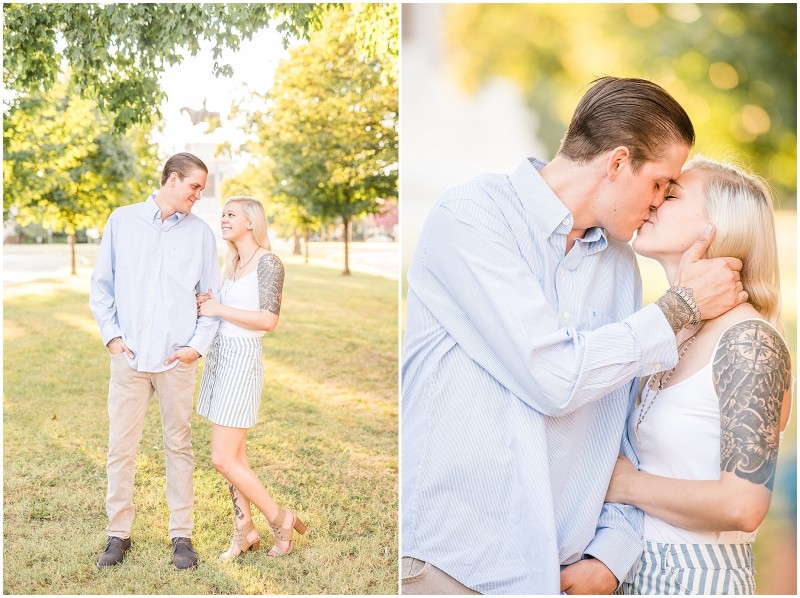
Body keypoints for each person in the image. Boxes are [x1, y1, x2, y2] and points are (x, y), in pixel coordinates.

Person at [400, 77, 748, 595]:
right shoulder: (472, 217)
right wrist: (680, 308)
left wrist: (612, 551)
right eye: (658, 184)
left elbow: (619, 420)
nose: (658, 204)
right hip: (454, 567)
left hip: (559, 574)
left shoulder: (619, 266)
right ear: (616, 163)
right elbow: (553, 376)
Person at [605, 156, 793, 595]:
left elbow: (744, 505)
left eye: (670, 194)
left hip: (697, 579)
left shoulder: (750, 342)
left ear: (716, 226)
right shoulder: (674, 331)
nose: (652, 201)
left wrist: (626, 484)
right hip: (633, 572)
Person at [89, 152, 220, 569]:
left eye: (201, 188)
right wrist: (111, 337)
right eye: (195, 186)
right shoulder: (122, 221)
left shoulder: (201, 234)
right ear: (173, 179)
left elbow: (209, 298)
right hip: (128, 358)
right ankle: (118, 534)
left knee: (179, 446)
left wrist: (195, 348)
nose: (199, 195)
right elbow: (102, 285)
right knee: (120, 448)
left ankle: (182, 536)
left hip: (177, 360)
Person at [195, 196, 307, 561]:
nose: (223, 219)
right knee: (236, 458)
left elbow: (268, 320)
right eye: (222, 214)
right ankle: (244, 531)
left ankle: (280, 518)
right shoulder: (233, 263)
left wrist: (218, 308)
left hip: (242, 360)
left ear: (250, 222)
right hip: (220, 357)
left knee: (222, 458)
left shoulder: (268, 262)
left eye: (231, 214)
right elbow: (223, 313)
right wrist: (210, 304)